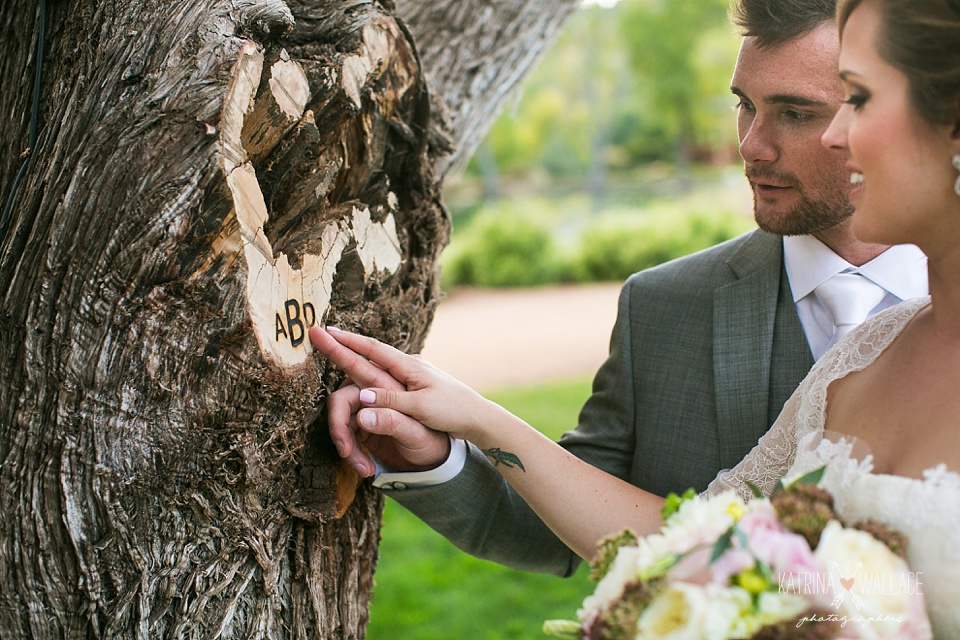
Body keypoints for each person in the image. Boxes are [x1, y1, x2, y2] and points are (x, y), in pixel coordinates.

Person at [314, 0, 960, 633]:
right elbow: (687, 543)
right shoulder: (855, 349)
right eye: (743, 105)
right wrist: (460, 431)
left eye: (805, 110)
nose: (750, 145)